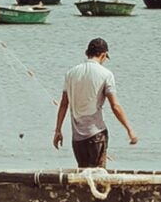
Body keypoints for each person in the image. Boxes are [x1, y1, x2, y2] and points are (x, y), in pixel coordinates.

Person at [53, 38, 136, 168]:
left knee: (83, 175)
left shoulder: (71, 73)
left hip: (77, 138)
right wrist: (129, 129)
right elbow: (115, 106)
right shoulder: (106, 74)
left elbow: (64, 104)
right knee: (98, 175)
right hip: (96, 134)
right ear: (103, 55)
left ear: (87, 53)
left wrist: (58, 130)